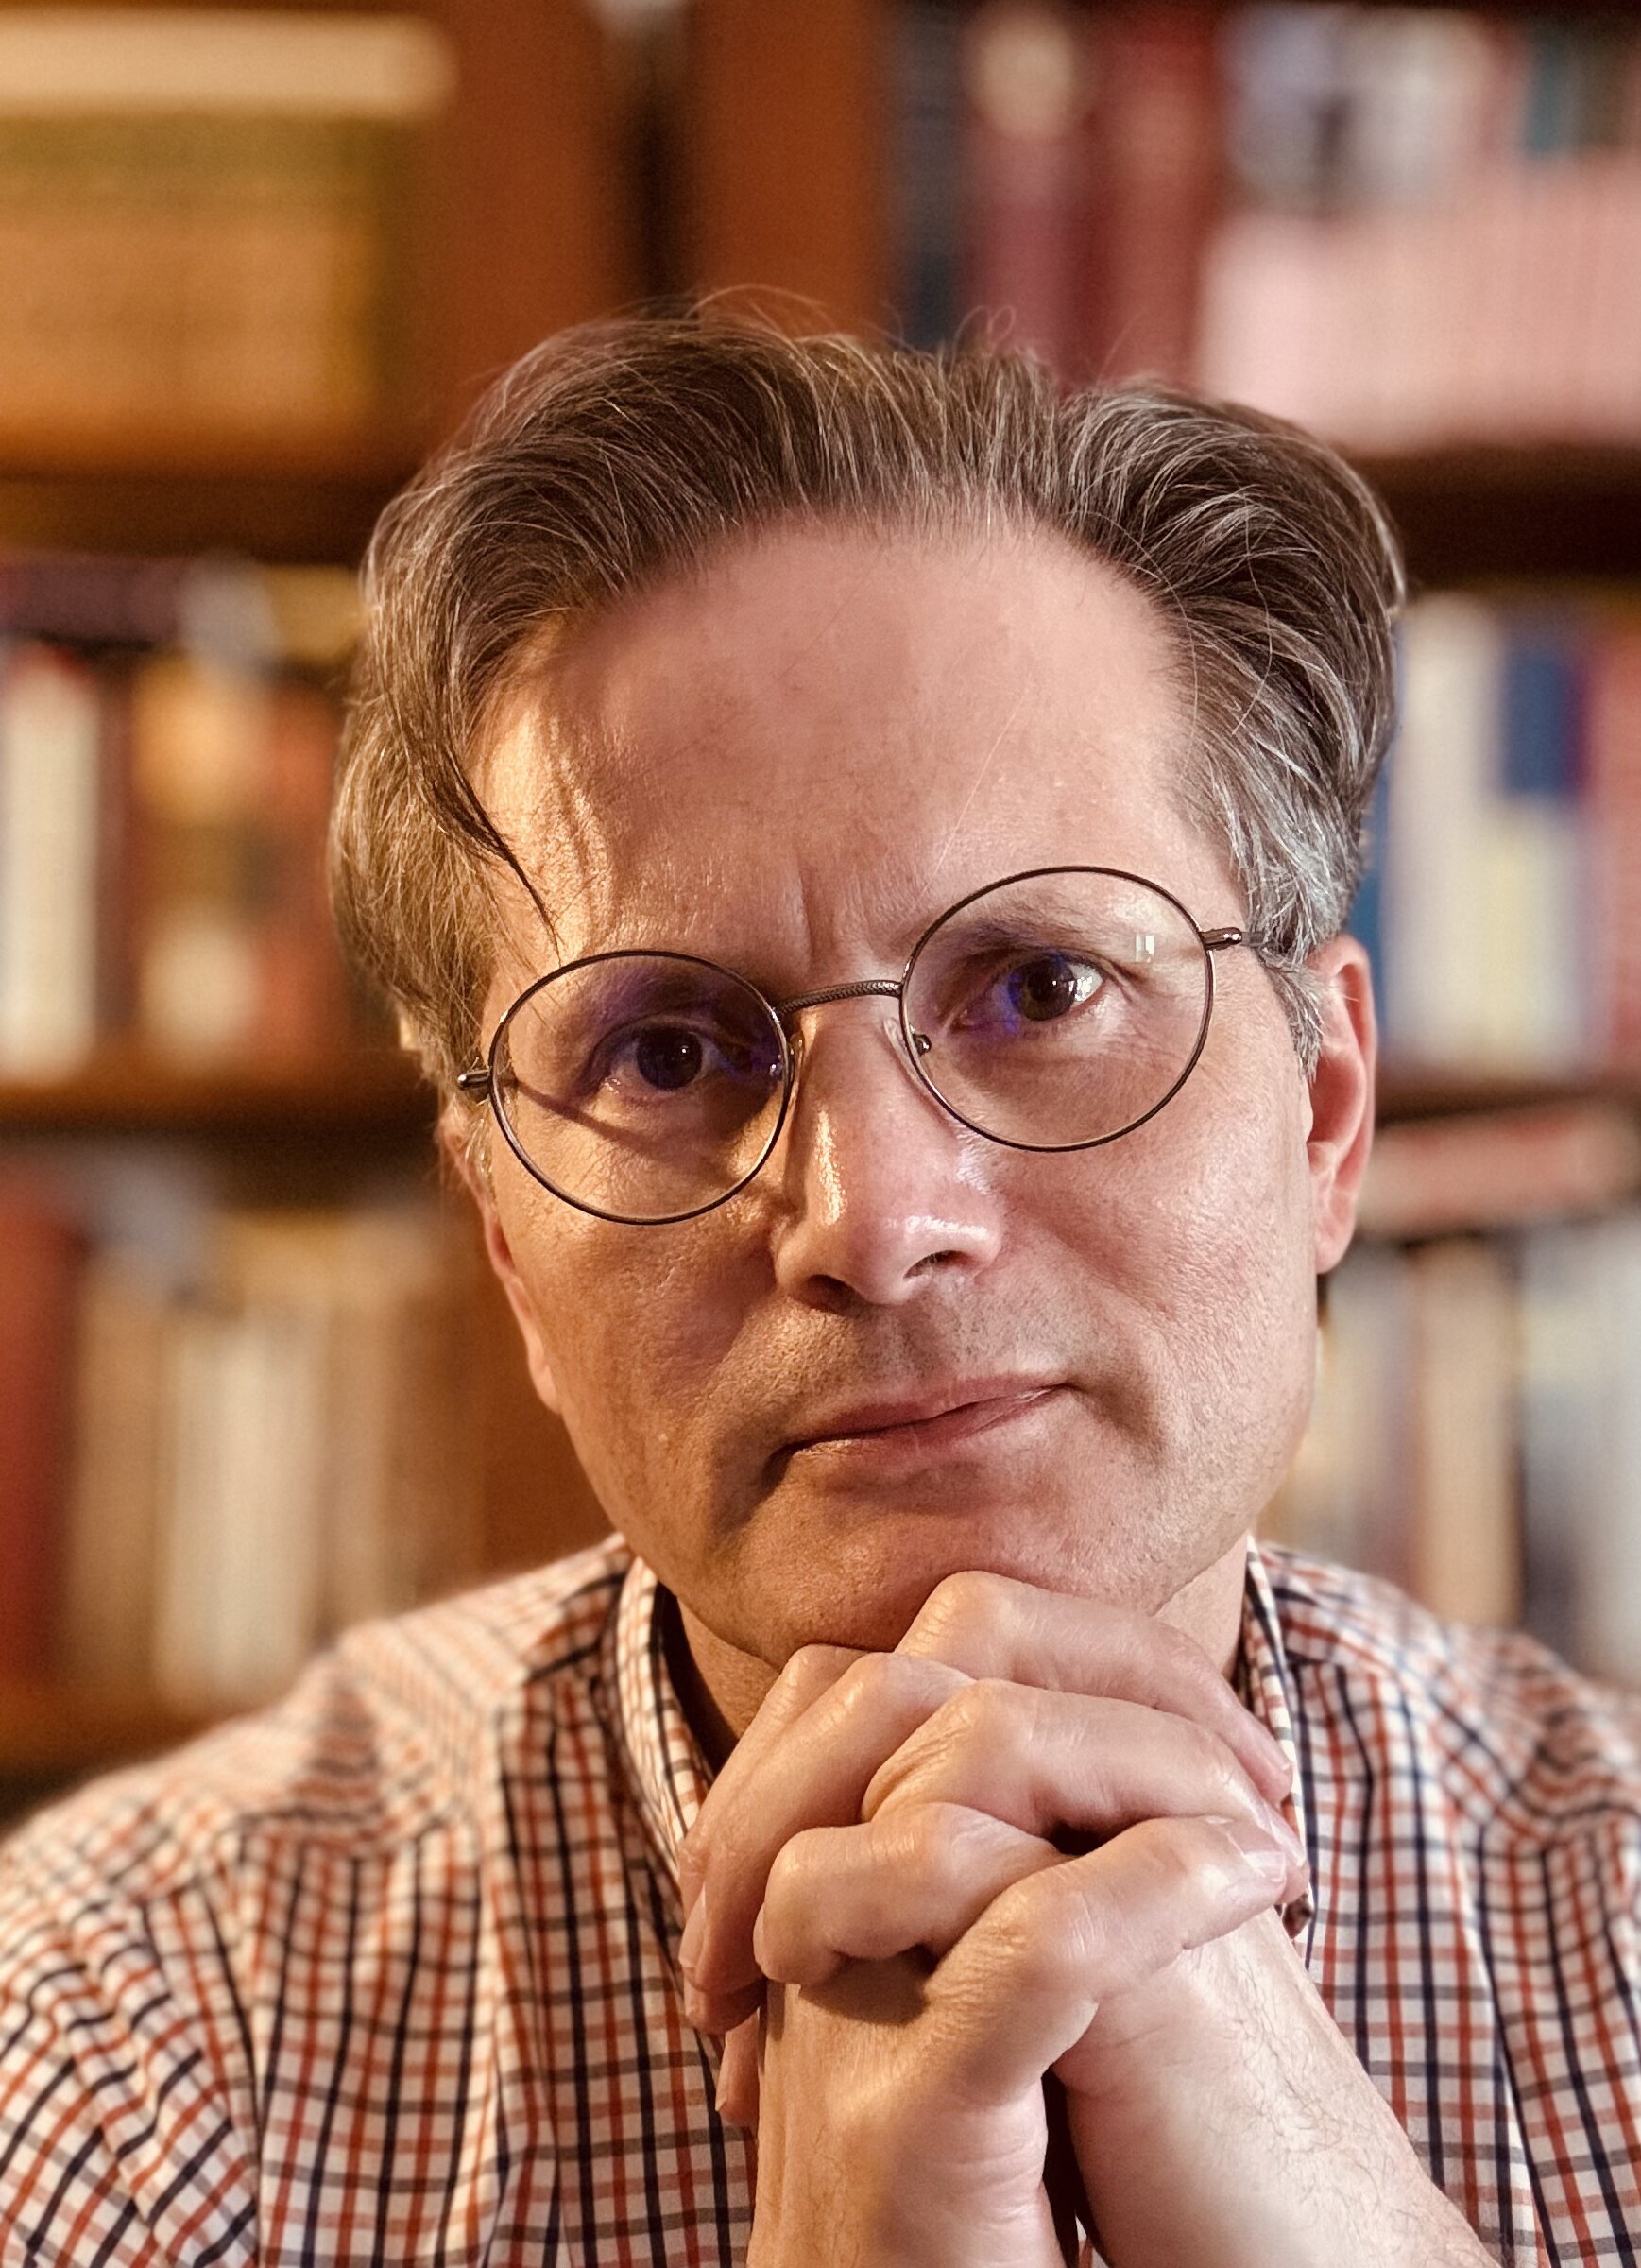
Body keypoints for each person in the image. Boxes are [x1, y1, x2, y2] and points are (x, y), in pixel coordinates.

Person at [2, 317, 1637, 2268]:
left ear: (1322, 1119)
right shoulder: (124, 2040)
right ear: (510, 1248)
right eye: (670, 1054)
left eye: (1041, 989)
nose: (872, 1218)